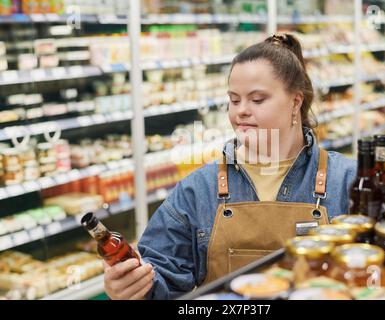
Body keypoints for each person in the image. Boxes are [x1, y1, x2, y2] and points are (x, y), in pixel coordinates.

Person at [103, 33, 357, 300]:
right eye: (234, 100)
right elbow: (160, 280)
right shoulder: (198, 189)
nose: (241, 111)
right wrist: (132, 285)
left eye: (257, 100)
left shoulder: (347, 181)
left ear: (296, 102)